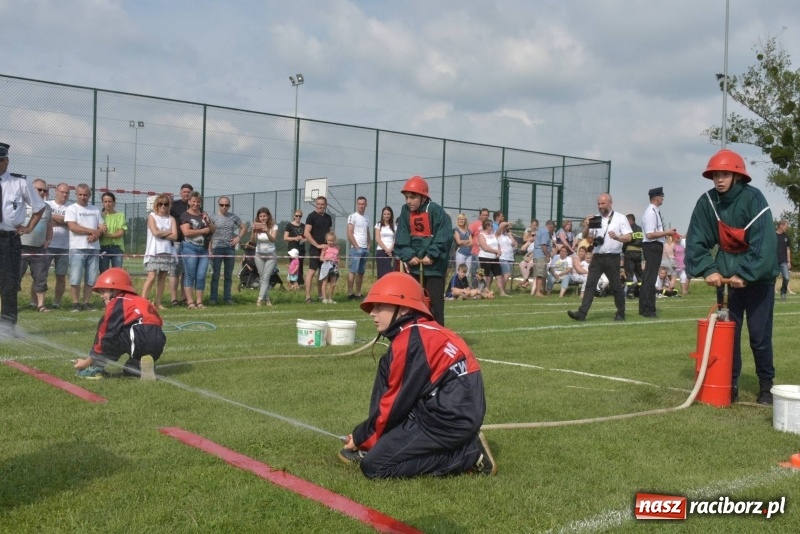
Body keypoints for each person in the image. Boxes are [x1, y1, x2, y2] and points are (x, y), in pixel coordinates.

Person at [337, 272, 495, 478]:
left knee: (374, 466)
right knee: (387, 365)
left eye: (379, 306)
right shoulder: (419, 332)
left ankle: (469, 454)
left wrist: (360, 436)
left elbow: (395, 403)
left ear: (402, 308)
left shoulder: (411, 341)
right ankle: (376, 442)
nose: (372, 313)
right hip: (445, 409)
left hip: (445, 419)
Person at [685, 149, 779, 405]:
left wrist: (745, 273)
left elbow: (765, 242)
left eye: (725, 174)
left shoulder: (754, 198)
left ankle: (766, 387)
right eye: (716, 174)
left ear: (737, 176)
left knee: (759, 337)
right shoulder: (707, 202)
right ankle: (729, 384)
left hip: (759, 282)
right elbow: (696, 240)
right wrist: (709, 269)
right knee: (728, 337)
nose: (719, 179)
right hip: (727, 282)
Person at [73, 268, 165, 381]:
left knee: (108, 332)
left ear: (114, 289)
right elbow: (159, 322)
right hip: (158, 341)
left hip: (138, 337)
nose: (101, 296)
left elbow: (105, 334)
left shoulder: (118, 301)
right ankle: (141, 365)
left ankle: (96, 368)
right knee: (130, 369)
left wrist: (87, 361)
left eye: (103, 291)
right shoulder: (140, 300)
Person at [394, 175, 453, 326]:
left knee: (434, 305)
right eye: (406, 197)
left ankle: (437, 334)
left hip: (434, 269)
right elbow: (401, 237)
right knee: (413, 303)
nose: (408, 201)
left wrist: (431, 255)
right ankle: (416, 333)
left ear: (423, 197)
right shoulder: (405, 211)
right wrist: (409, 255)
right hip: (415, 266)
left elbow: (444, 236)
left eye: (412, 197)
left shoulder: (436, 211)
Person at [567, 194, 632, 322]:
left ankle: (620, 313)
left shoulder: (620, 218)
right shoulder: (595, 219)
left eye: (603, 204)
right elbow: (587, 237)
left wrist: (617, 237)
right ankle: (582, 313)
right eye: (598, 204)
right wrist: (586, 226)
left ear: (610, 203)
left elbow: (629, 237)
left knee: (616, 286)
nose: (600, 207)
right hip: (597, 256)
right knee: (590, 285)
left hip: (612, 257)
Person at [65, 183, 105, 312]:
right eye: (80, 194)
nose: (83, 197)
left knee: (91, 278)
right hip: (77, 247)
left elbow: (102, 227)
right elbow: (73, 227)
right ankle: (76, 303)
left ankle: (87, 302)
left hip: (94, 248)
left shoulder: (95, 209)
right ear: (76, 195)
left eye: (85, 195)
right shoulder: (72, 209)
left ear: (89, 195)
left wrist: (96, 234)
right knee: (76, 277)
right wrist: (92, 231)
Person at [640, 187, 677, 318]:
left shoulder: (653, 211)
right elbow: (650, 234)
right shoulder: (651, 212)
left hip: (653, 245)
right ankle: (649, 309)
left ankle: (644, 307)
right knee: (650, 278)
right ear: (657, 197)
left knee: (648, 277)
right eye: (662, 196)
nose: (662, 199)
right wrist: (667, 232)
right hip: (652, 245)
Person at [19, 178, 52, 312]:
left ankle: (41, 305)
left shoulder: (47, 207)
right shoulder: (22, 204)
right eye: (39, 189)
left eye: (45, 190)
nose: (43, 192)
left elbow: (49, 225)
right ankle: (9, 304)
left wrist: (48, 240)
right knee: (15, 276)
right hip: (20, 247)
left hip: (39, 248)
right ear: (32, 190)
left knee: (41, 277)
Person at [141, 194, 178, 310]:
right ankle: (142, 301)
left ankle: (158, 303)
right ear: (156, 204)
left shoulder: (171, 219)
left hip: (167, 252)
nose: (163, 206)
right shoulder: (151, 216)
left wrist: (162, 232)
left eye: (165, 204)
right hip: (154, 251)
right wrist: (168, 232)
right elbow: (155, 232)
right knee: (151, 277)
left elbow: (175, 236)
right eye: (160, 204)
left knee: (162, 278)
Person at [180, 191, 215, 309]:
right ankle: (190, 302)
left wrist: (208, 221)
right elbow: (186, 232)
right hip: (189, 248)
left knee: (201, 275)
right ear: (189, 202)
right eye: (193, 201)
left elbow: (213, 230)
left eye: (198, 201)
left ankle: (199, 302)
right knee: (190, 275)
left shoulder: (203, 215)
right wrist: (202, 231)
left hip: (203, 249)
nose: (196, 204)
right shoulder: (185, 215)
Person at [209, 196, 246, 305]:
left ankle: (227, 298)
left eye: (226, 205)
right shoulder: (213, 217)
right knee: (215, 275)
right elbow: (209, 234)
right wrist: (210, 249)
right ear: (218, 205)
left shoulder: (233, 217)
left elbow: (244, 227)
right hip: (216, 248)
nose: (224, 207)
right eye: (222, 205)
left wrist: (238, 238)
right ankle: (213, 299)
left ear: (229, 206)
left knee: (228, 275)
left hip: (230, 248)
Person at [46, 183, 72, 309]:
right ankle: (35, 303)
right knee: (41, 275)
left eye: (67, 192)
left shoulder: (71, 207)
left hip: (64, 247)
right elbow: (44, 219)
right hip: (47, 245)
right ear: (56, 191)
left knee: (61, 276)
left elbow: (70, 222)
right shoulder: (47, 205)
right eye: (62, 192)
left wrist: (51, 218)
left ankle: (56, 303)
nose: (64, 194)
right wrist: (63, 221)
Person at [303, 196, 333, 303]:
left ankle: (321, 295)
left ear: (325, 205)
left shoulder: (328, 218)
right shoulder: (311, 216)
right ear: (316, 204)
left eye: (322, 204)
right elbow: (306, 233)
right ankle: (308, 296)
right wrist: (317, 245)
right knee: (312, 271)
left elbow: (330, 234)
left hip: (326, 250)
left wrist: (331, 246)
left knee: (323, 272)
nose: (320, 206)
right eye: (318, 204)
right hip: (315, 249)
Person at [169, 183, 193, 307]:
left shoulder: (195, 206)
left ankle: (184, 298)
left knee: (186, 272)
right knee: (175, 272)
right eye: (184, 192)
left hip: (190, 243)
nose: (186, 194)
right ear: (180, 193)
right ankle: (174, 299)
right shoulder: (174, 205)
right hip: (176, 242)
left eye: (189, 192)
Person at [251, 207, 279, 307]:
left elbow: (273, 240)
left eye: (264, 216)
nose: (263, 218)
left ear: (268, 217)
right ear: (258, 217)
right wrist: (253, 231)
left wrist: (267, 231)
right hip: (259, 254)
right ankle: (267, 299)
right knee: (263, 278)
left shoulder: (274, 226)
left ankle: (259, 300)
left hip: (271, 255)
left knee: (266, 277)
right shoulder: (256, 226)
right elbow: (253, 241)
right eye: (261, 216)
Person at [346, 196, 370, 300]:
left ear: (366, 205)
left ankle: (358, 293)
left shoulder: (367, 218)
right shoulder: (353, 216)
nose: (361, 206)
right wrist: (356, 246)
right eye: (359, 204)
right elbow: (349, 233)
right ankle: (350, 293)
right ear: (357, 204)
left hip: (365, 248)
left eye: (363, 204)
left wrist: (369, 245)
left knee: (361, 272)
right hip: (356, 248)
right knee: (353, 270)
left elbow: (367, 232)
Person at [98, 192, 127, 272]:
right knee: (103, 272)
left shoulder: (120, 215)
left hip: (117, 248)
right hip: (103, 247)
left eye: (110, 201)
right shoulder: (99, 216)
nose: (108, 204)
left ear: (114, 203)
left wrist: (108, 235)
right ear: (102, 203)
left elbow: (121, 232)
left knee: (117, 272)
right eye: (105, 202)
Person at [477, 219, 503, 296]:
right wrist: (496, 251)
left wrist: (499, 252)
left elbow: (497, 244)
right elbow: (485, 247)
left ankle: (502, 292)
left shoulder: (493, 234)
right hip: (484, 257)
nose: (492, 227)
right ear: (487, 226)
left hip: (495, 258)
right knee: (485, 275)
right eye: (491, 225)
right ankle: (484, 291)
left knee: (498, 275)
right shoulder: (481, 235)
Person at [283, 208, 306, 286]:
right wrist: (294, 238)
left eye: (300, 216)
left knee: (300, 265)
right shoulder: (289, 225)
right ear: (294, 216)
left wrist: (302, 239)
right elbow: (285, 237)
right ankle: (292, 282)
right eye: (297, 216)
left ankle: (300, 282)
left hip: (301, 248)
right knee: (293, 265)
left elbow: (307, 237)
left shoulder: (303, 226)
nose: (298, 217)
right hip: (292, 249)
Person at [623, 214, 644, 299]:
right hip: (639, 252)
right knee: (639, 273)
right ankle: (640, 291)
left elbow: (626, 240)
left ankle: (630, 292)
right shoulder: (639, 229)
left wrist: (624, 250)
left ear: (630, 220)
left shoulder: (628, 229)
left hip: (629, 252)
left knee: (629, 273)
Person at [532, 220, 554, 297]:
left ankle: (540, 291)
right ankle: (538, 292)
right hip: (541, 255)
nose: (552, 231)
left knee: (540, 274)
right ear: (550, 226)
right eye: (552, 228)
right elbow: (544, 245)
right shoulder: (545, 232)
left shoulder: (540, 230)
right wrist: (547, 255)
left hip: (537, 255)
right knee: (540, 274)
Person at [374, 206, 396, 279]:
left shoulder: (394, 226)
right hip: (381, 251)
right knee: (381, 273)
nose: (386, 216)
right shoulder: (378, 225)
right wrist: (386, 249)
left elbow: (395, 239)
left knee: (389, 273)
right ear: (382, 215)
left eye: (388, 214)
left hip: (391, 252)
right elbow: (377, 238)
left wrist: (390, 249)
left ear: (391, 215)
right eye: (385, 214)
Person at [468, 208, 489, 283]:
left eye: (486, 215)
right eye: (483, 215)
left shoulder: (489, 225)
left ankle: (481, 288)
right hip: (476, 252)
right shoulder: (475, 224)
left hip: (485, 253)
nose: (485, 217)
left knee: (482, 272)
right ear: (480, 215)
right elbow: (468, 233)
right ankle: (473, 287)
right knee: (475, 272)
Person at [319, 231, 340, 304]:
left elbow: (338, 257)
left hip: (334, 266)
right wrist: (325, 259)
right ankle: (324, 298)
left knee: (333, 283)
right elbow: (321, 258)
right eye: (328, 240)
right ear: (326, 240)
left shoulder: (337, 248)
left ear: (334, 240)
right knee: (324, 282)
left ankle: (330, 298)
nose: (330, 242)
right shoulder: (325, 248)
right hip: (326, 265)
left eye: (332, 240)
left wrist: (338, 265)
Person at [496, 221, 517, 296]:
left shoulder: (507, 235)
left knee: (505, 275)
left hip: (510, 257)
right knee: (507, 273)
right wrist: (507, 223)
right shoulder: (498, 234)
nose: (506, 227)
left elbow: (514, 244)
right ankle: (502, 291)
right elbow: (501, 224)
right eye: (505, 226)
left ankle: (502, 290)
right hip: (503, 257)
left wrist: (510, 234)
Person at [776, 220, 792, 301]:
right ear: (781, 226)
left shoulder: (786, 237)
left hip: (783, 261)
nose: (787, 227)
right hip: (774, 261)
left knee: (786, 278)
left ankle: (783, 292)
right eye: (786, 226)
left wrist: (789, 261)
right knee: (771, 279)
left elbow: (788, 249)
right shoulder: (773, 235)